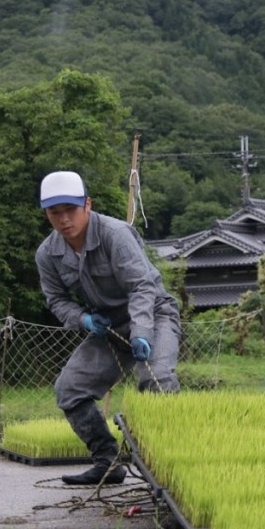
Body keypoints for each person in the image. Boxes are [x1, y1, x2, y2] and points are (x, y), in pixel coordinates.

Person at [35, 170, 181, 485]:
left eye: (70, 210)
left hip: (152, 313)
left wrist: (142, 330)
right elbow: (56, 300)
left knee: (157, 381)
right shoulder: (48, 254)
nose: (63, 220)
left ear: (87, 204)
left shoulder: (115, 234)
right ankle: (108, 462)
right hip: (107, 325)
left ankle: (173, 467)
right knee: (69, 389)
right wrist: (83, 319)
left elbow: (142, 288)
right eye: (54, 213)